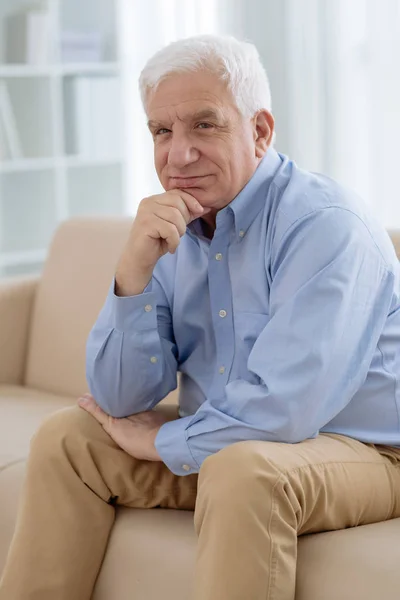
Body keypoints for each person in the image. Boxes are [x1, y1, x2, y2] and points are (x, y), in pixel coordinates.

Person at [1, 33, 400, 600]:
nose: (178, 154)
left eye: (204, 125)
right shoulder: (170, 229)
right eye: (162, 132)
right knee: (70, 437)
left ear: (260, 131)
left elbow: (286, 410)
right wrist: (132, 273)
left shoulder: (326, 227)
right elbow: (118, 398)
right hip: (232, 443)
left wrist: (163, 442)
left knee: (243, 472)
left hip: (367, 451)